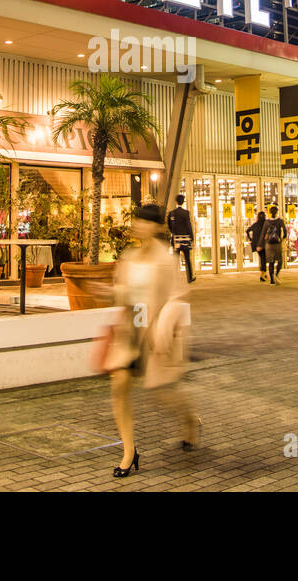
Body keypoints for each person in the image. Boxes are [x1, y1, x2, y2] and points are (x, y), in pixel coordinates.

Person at [102, 203, 200, 477]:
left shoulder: (167, 259)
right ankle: (129, 451)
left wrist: (165, 328)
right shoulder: (129, 256)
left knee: (163, 394)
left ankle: (190, 421)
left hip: (156, 333)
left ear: (157, 227)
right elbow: (122, 290)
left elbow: (177, 298)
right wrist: (113, 291)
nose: (138, 226)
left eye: (145, 222)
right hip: (131, 331)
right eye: (137, 221)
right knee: (119, 385)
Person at [167, 194, 195, 283]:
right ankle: (190, 277)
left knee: (176, 258)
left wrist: (173, 233)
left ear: (176, 202)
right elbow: (188, 225)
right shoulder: (186, 213)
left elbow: (169, 225)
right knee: (187, 258)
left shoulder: (172, 213)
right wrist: (191, 237)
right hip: (185, 238)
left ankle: (174, 277)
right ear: (183, 202)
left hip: (176, 239)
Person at [262, 205, 287, 283]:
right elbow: (285, 231)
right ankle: (276, 274)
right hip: (277, 243)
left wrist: (263, 242)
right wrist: (282, 238)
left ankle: (272, 280)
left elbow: (263, 233)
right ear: (277, 212)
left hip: (269, 244)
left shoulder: (267, 222)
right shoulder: (280, 221)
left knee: (271, 261)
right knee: (280, 260)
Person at [248, 210, 267, 281]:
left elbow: (247, 230)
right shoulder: (266, 224)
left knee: (262, 258)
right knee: (263, 259)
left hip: (257, 244)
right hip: (264, 244)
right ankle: (263, 274)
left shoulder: (255, 224)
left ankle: (263, 273)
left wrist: (251, 239)